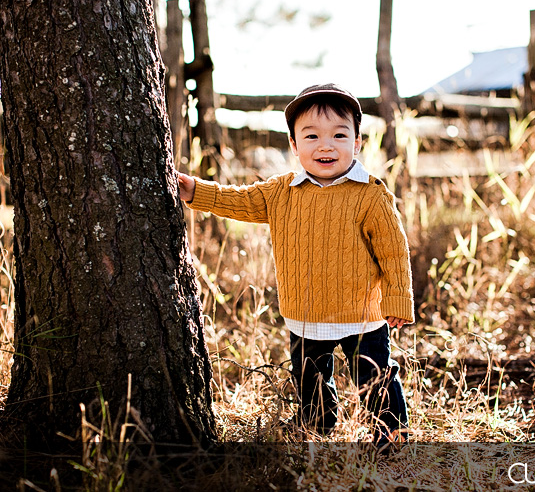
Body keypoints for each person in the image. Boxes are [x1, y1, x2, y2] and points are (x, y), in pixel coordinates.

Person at [176, 83, 414, 446]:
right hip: (306, 312)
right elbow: (238, 200)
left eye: (339, 134)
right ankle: (317, 425)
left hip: (362, 312)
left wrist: (398, 299)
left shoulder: (370, 194)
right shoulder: (281, 191)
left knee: (375, 376)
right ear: (293, 144)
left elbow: (394, 252)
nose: (325, 145)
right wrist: (196, 191)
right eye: (311, 136)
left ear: (357, 143)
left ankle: (392, 433)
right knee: (310, 377)